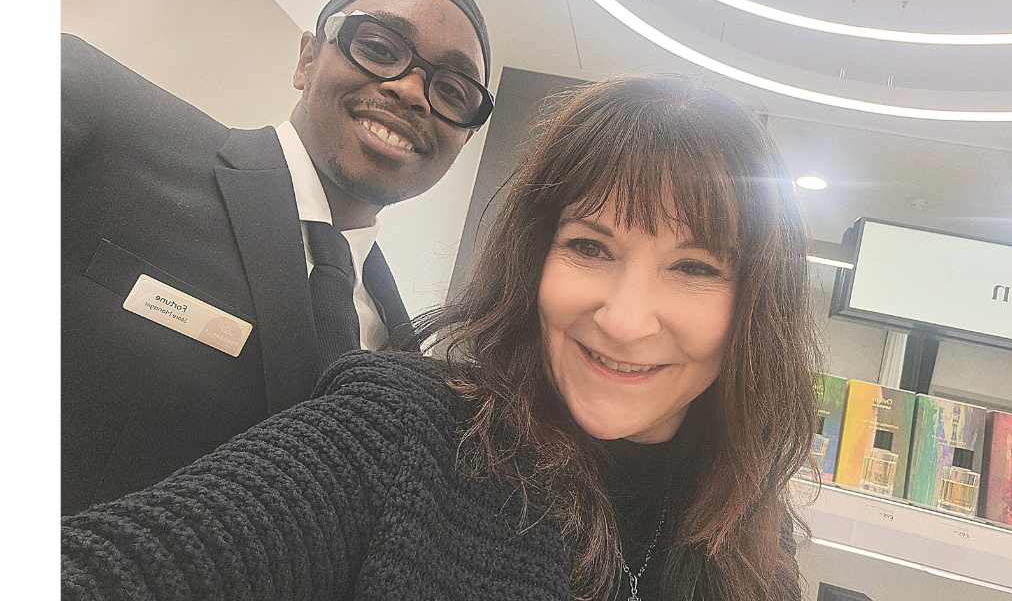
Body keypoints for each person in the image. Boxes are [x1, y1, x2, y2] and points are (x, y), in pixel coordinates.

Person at [62, 75, 819, 601]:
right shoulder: (405, 432)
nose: (624, 320)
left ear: (758, 306)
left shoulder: (752, 537)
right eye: (590, 247)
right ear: (535, 258)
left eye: (694, 267)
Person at [61, 0, 494, 515]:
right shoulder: (97, 111)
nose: (412, 91)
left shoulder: (403, 355)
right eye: (379, 47)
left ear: (464, 139)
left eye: (452, 90)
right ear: (308, 58)